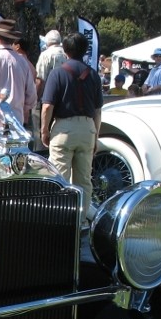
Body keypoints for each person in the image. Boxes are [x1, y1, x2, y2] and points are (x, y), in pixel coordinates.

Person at [39, 32, 104, 223]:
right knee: (84, 179)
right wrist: (95, 135)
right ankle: (80, 220)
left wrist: (44, 130)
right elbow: (98, 110)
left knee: (59, 177)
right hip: (88, 128)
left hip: (64, 128)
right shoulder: (93, 74)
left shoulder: (57, 73)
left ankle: (59, 219)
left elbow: (47, 106)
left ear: (65, 50)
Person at [34, 29, 66, 149]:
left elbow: (40, 79)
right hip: (64, 100)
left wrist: (36, 97)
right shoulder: (66, 53)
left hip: (48, 99)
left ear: (47, 42)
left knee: (43, 131)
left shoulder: (45, 55)